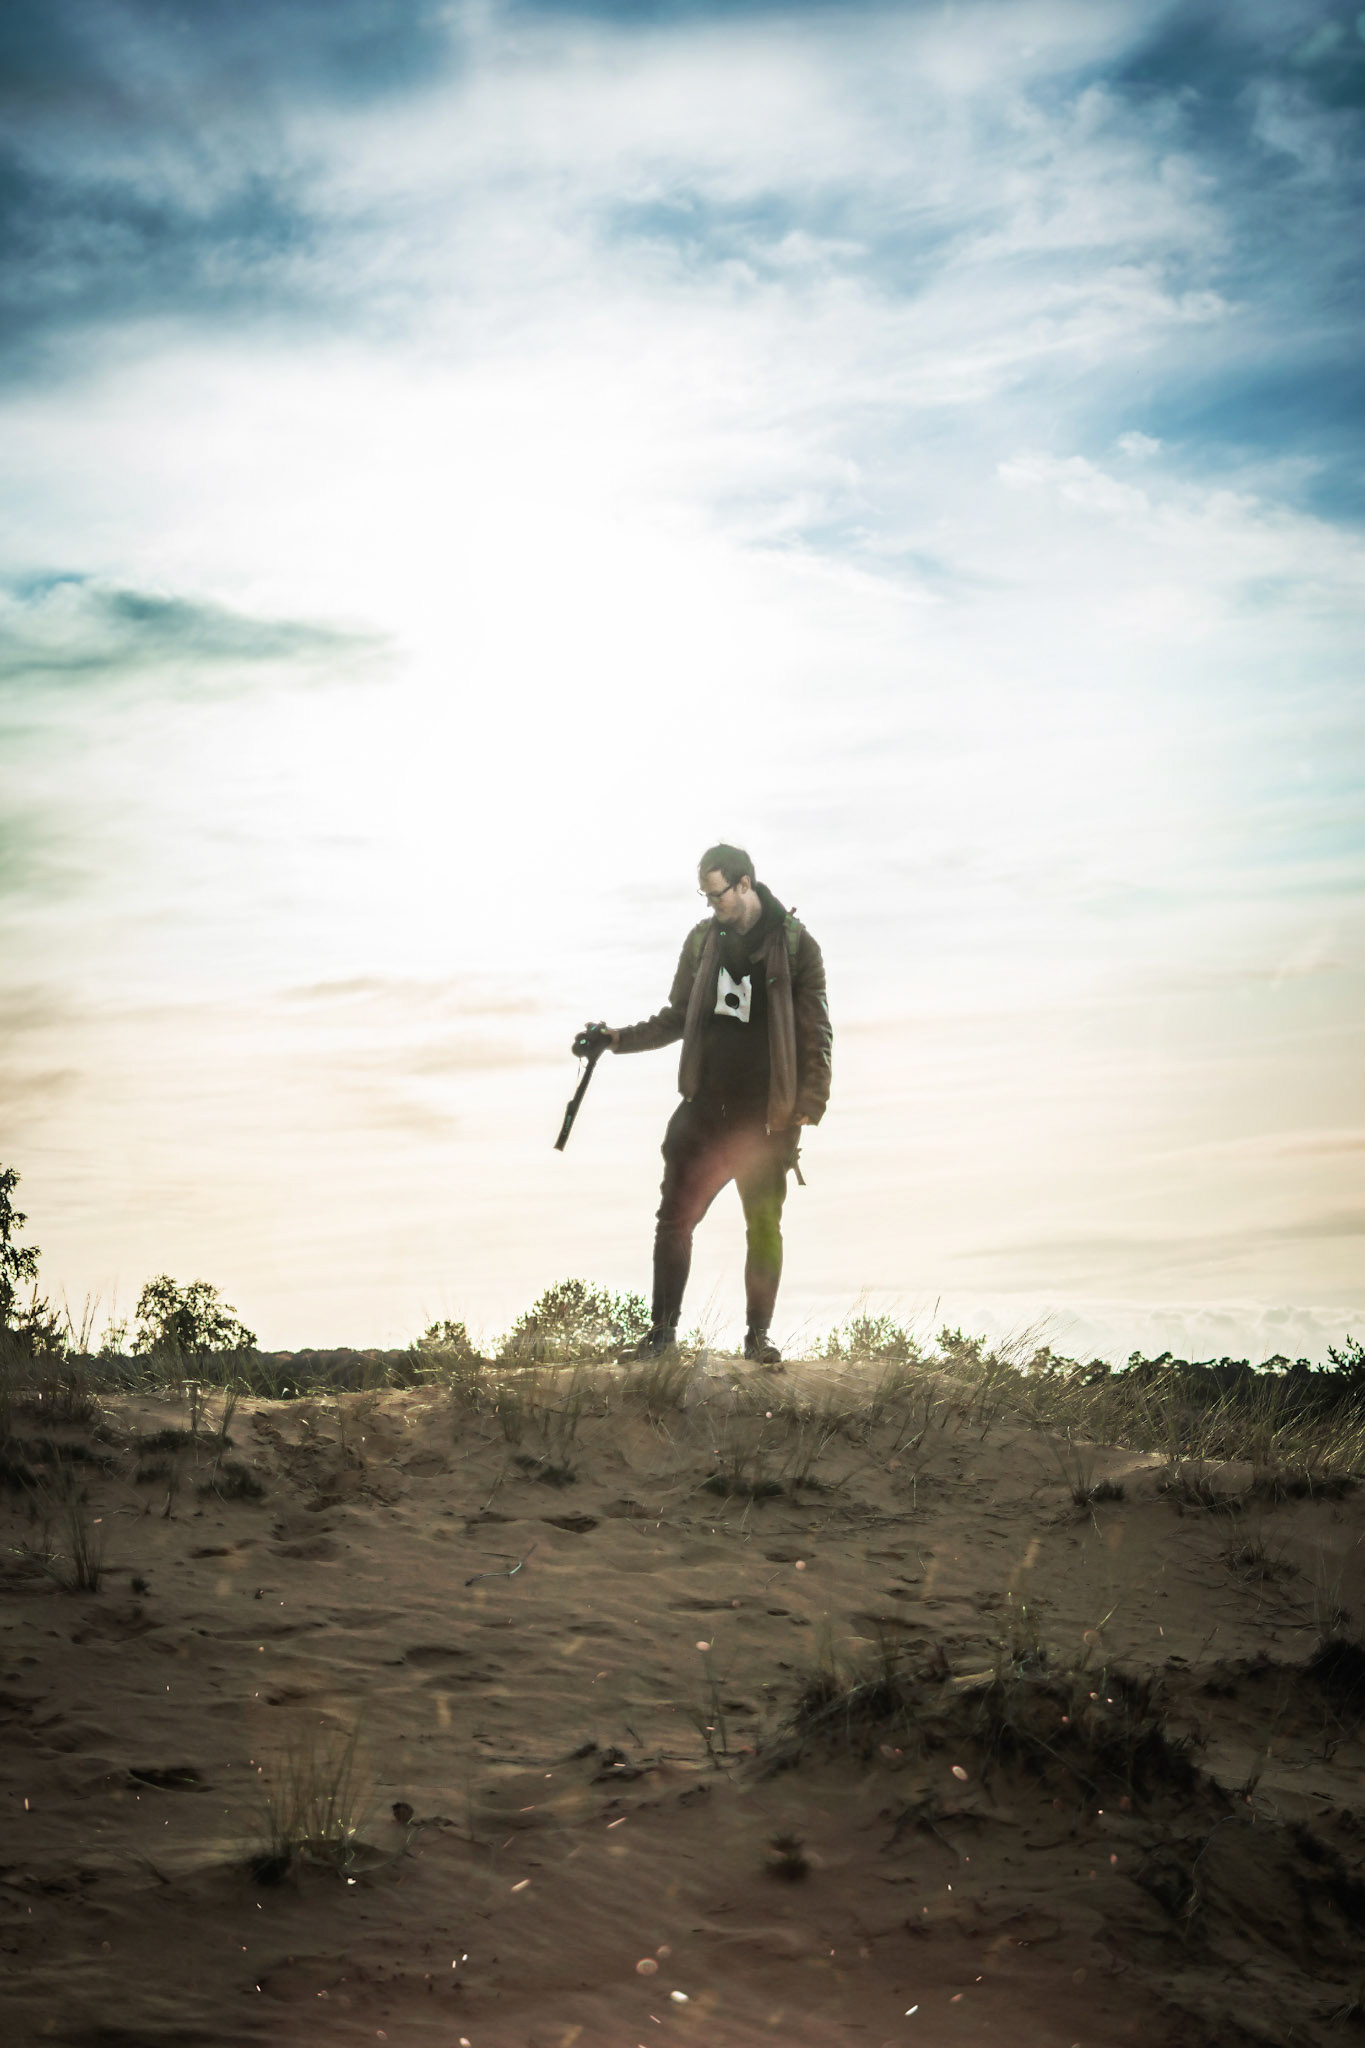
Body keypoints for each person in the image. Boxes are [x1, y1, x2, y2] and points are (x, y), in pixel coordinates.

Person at [597, 843, 832, 1364]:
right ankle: (662, 1338)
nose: (711, 904)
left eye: (717, 894)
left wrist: (810, 1101)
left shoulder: (797, 946)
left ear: (745, 884)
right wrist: (617, 1040)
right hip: (704, 1110)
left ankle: (758, 1339)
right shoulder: (702, 942)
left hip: (764, 1119)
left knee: (763, 1226)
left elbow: (816, 1030)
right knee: (673, 1220)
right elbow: (676, 1017)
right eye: (704, 895)